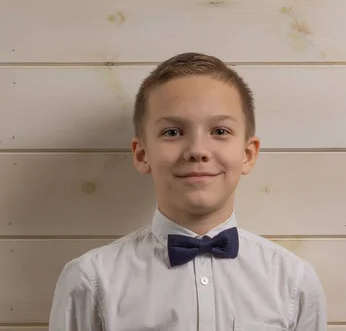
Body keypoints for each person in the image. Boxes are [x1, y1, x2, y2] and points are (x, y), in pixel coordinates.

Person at [48, 52, 327, 330]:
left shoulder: (294, 282)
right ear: (143, 154)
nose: (197, 151)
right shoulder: (91, 281)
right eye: (172, 132)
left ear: (247, 154)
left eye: (219, 131)